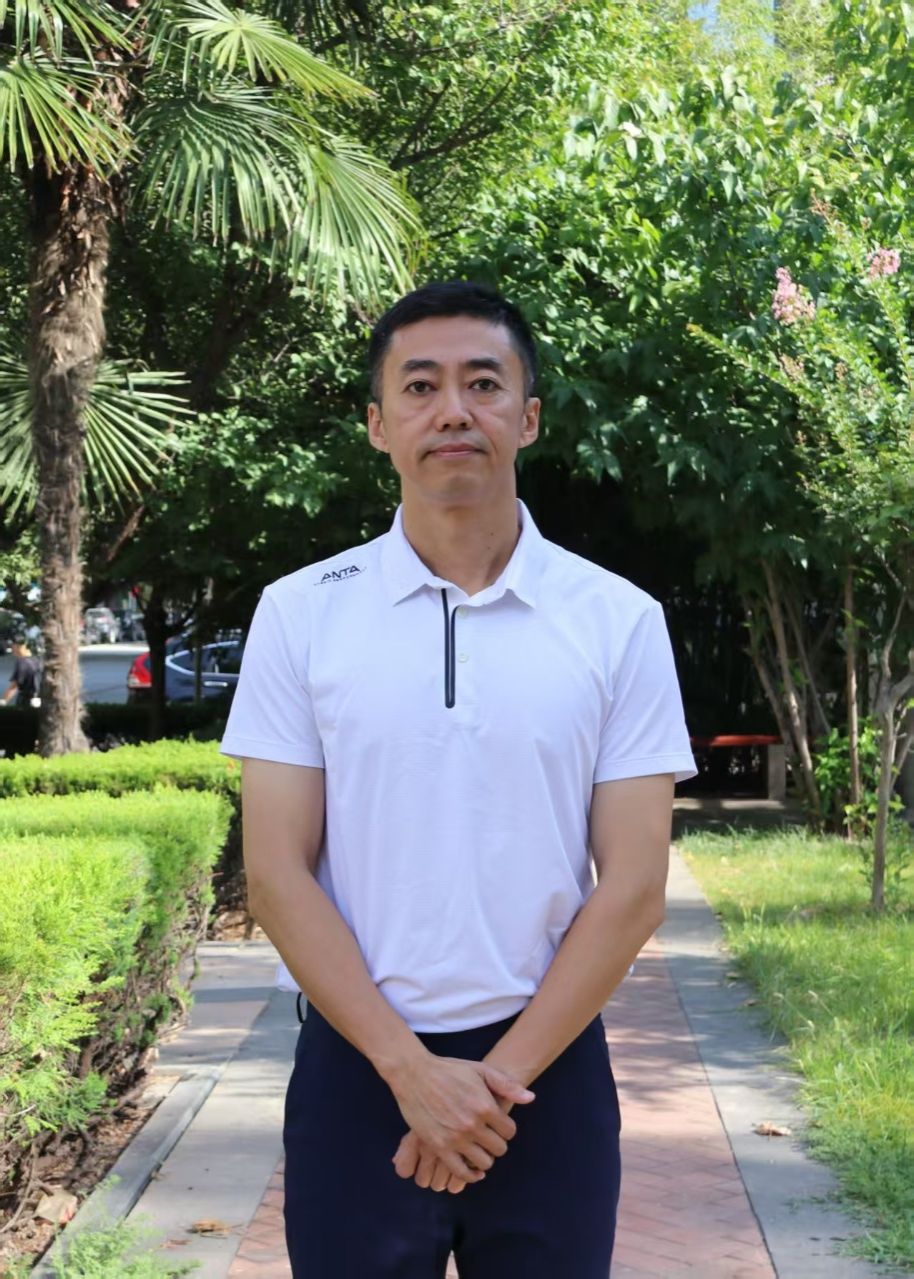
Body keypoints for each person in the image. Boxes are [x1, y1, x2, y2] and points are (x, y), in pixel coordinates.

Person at [219, 281, 696, 1277]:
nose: (452, 411)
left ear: (527, 416)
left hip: (547, 1075)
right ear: (377, 424)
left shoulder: (616, 620)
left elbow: (635, 884)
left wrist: (488, 1086)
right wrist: (410, 1073)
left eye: (483, 384)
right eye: (419, 386)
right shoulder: (302, 614)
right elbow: (275, 871)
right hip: (358, 1066)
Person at [1, 634, 42, 708]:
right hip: (41, 700)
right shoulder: (38, 660)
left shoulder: (22, 662)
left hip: (27, 701)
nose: (12, 649)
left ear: (18, 646)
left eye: (12, 646)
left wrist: (3, 701)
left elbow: (14, 686)